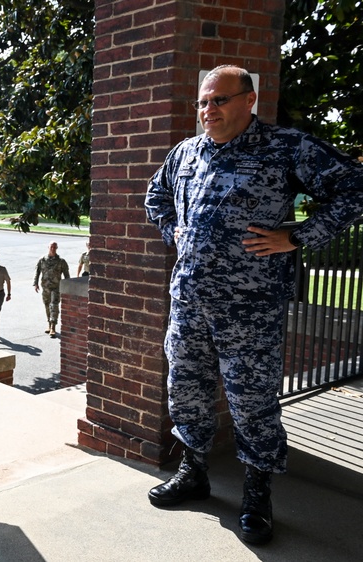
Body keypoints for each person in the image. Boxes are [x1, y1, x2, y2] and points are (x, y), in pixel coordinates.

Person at [144, 64, 363, 545]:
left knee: (253, 404)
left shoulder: (286, 147)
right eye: (203, 101)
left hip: (252, 309)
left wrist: (300, 236)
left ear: (249, 100)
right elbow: (155, 196)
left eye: (219, 100)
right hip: (190, 304)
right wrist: (172, 231)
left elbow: (354, 186)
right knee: (187, 393)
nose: (209, 110)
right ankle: (193, 473)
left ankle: (257, 494)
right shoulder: (186, 153)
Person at [33, 241, 70, 337]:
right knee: (47, 305)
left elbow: (67, 275)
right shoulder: (42, 260)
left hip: (56, 287)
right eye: (51, 247)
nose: (53, 249)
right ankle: (49, 324)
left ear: (57, 248)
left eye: (55, 247)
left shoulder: (61, 261)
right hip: (45, 287)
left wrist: (68, 286)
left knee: (54, 306)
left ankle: (53, 326)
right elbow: (37, 272)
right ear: (48, 247)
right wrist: (35, 283)